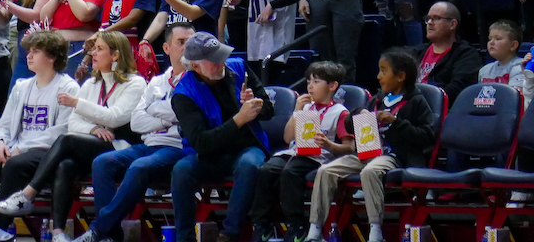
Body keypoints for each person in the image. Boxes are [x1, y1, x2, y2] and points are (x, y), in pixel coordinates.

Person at [0, 32, 146, 242]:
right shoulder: (91, 84)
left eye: (100, 49)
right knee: (65, 164)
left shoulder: (135, 83)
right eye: (94, 48)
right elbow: (73, 123)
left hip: (120, 146)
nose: (93, 53)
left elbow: (115, 117)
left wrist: (77, 104)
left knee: (66, 140)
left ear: (115, 55)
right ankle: (58, 233)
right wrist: (92, 129)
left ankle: (28, 193)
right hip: (92, 144)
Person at [0, 31, 78, 242]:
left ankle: (2, 227)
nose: (29, 56)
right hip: (14, 150)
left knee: (14, 165)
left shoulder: (68, 86)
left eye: (36, 51)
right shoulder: (21, 87)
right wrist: (0, 144)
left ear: (52, 57)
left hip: (46, 154)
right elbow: (4, 124)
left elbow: (62, 132)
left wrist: (21, 149)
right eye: (29, 51)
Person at [306, 48, 437, 242]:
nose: (378, 76)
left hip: (394, 156)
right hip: (366, 154)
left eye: (384, 71)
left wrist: (396, 122)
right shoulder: (377, 99)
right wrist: (358, 114)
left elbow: (427, 137)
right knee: (325, 170)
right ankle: (315, 230)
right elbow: (350, 124)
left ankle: (375, 231)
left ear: (400, 76)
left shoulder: (416, 101)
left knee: (370, 171)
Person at [81, 24, 193, 242]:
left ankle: (98, 230)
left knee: (139, 167)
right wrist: (168, 115)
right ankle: (110, 237)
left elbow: (185, 112)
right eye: (181, 42)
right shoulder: (158, 82)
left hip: (178, 146)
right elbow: (137, 123)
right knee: (102, 162)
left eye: (191, 42)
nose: (187, 47)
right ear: (166, 48)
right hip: (149, 144)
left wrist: (155, 110)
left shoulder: (197, 80)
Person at [170, 32, 275, 242]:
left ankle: (229, 234)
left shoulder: (239, 67)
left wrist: (255, 104)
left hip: (247, 146)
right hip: (210, 154)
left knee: (250, 164)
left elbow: (269, 111)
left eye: (222, 56)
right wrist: (239, 118)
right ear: (196, 67)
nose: (221, 63)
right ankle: (184, 237)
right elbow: (201, 143)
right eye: (214, 60)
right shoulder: (183, 95)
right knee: (181, 170)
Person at [248, 62, 354, 240]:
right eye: (308, 82)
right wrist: (296, 112)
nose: (310, 86)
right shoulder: (305, 108)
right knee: (266, 170)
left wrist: (328, 144)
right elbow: (288, 138)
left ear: (332, 86)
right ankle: (262, 224)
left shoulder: (340, 112)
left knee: (290, 173)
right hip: (295, 152)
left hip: (319, 156)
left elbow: (349, 148)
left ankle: (296, 225)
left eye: (316, 82)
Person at [413, 1, 482, 101]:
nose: (430, 23)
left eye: (437, 18)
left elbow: (456, 90)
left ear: (452, 24)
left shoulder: (466, 54)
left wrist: (418, 102)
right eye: (428, 19)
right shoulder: (417, 51)